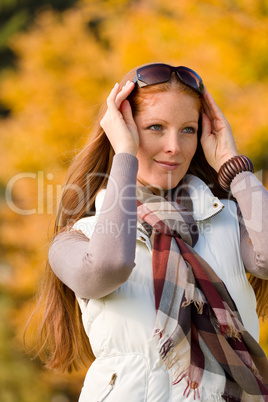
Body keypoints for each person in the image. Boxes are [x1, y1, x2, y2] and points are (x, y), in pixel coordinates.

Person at [31, 63, 268, 401]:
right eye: (156, 127)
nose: (174, 146)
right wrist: (124, 154)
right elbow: (108, 268)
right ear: (123, 129)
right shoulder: (80, 236)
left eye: (188, 129)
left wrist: (233, 164)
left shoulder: (228, 218)